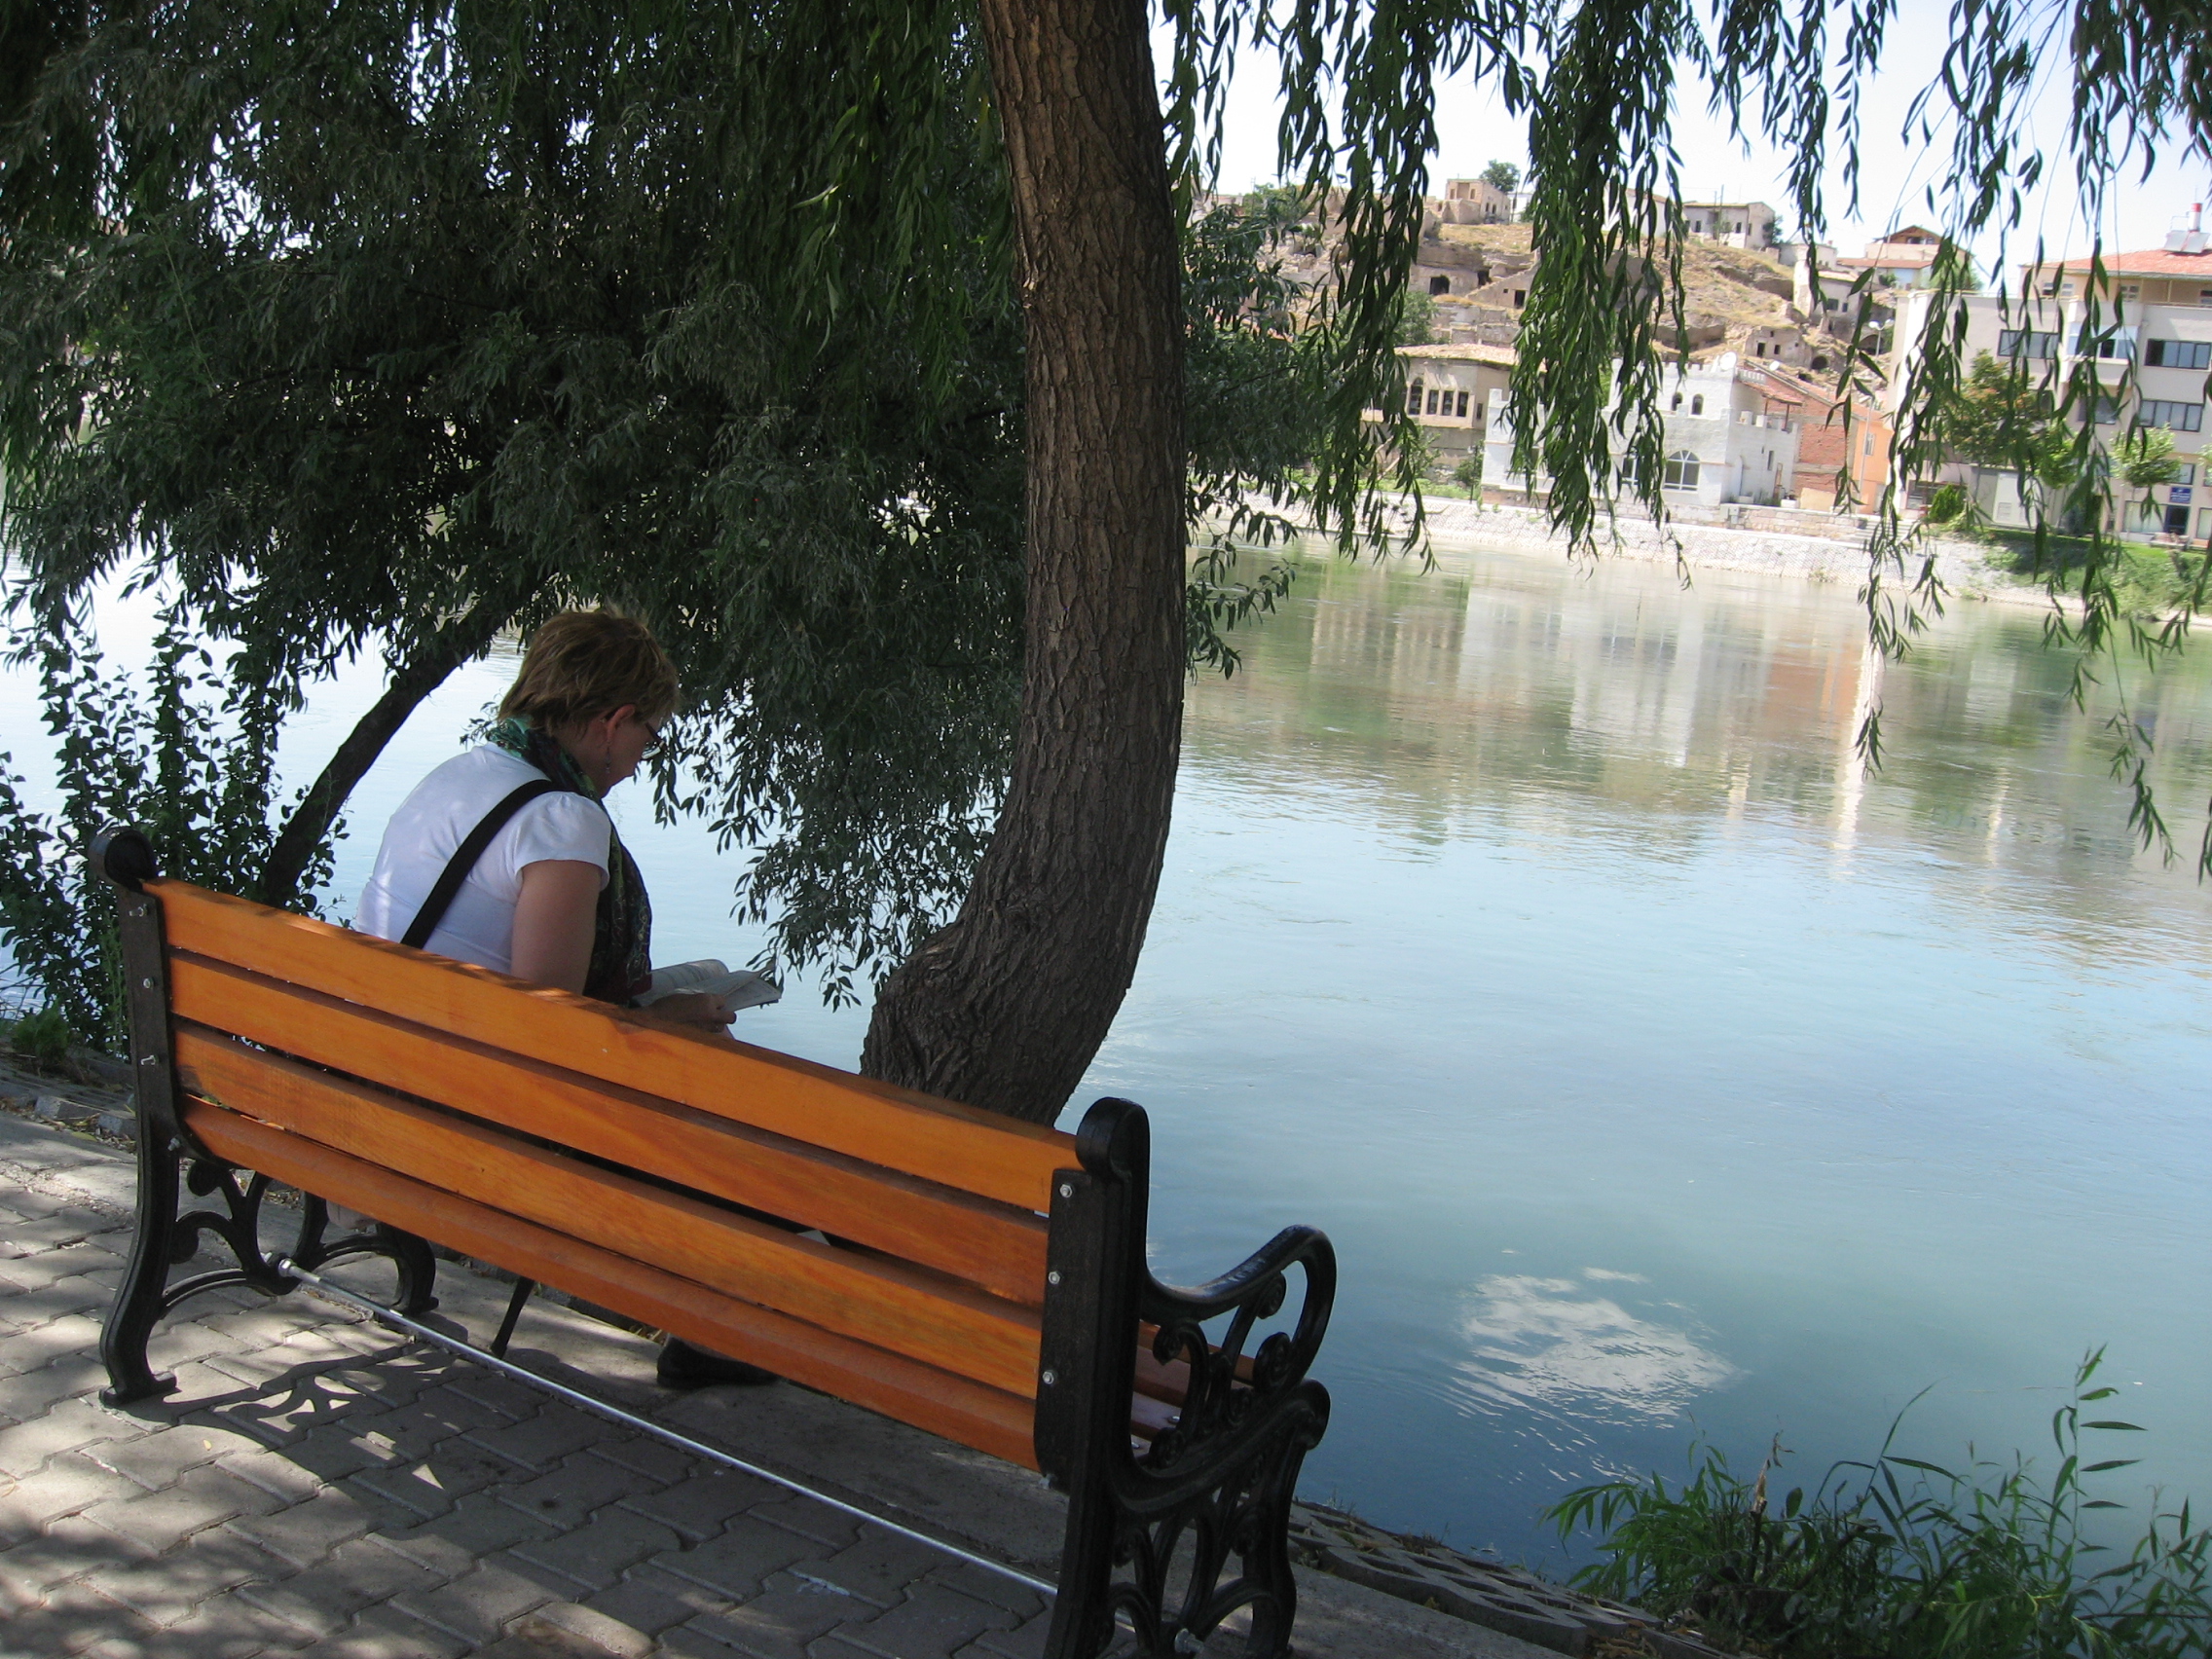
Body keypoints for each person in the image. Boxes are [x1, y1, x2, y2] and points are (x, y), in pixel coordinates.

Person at [357, 609, 773, 1389]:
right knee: (723, 1075)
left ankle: (718, 1317)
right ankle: (721, 1326)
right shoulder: (563, 816)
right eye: (649, 735)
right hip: (470, 1114)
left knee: (697, 1052)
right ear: (613, 722)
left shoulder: (459, 774)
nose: (641, 759)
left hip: (380, 1073)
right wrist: (667, 1018)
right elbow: (551, 1028)